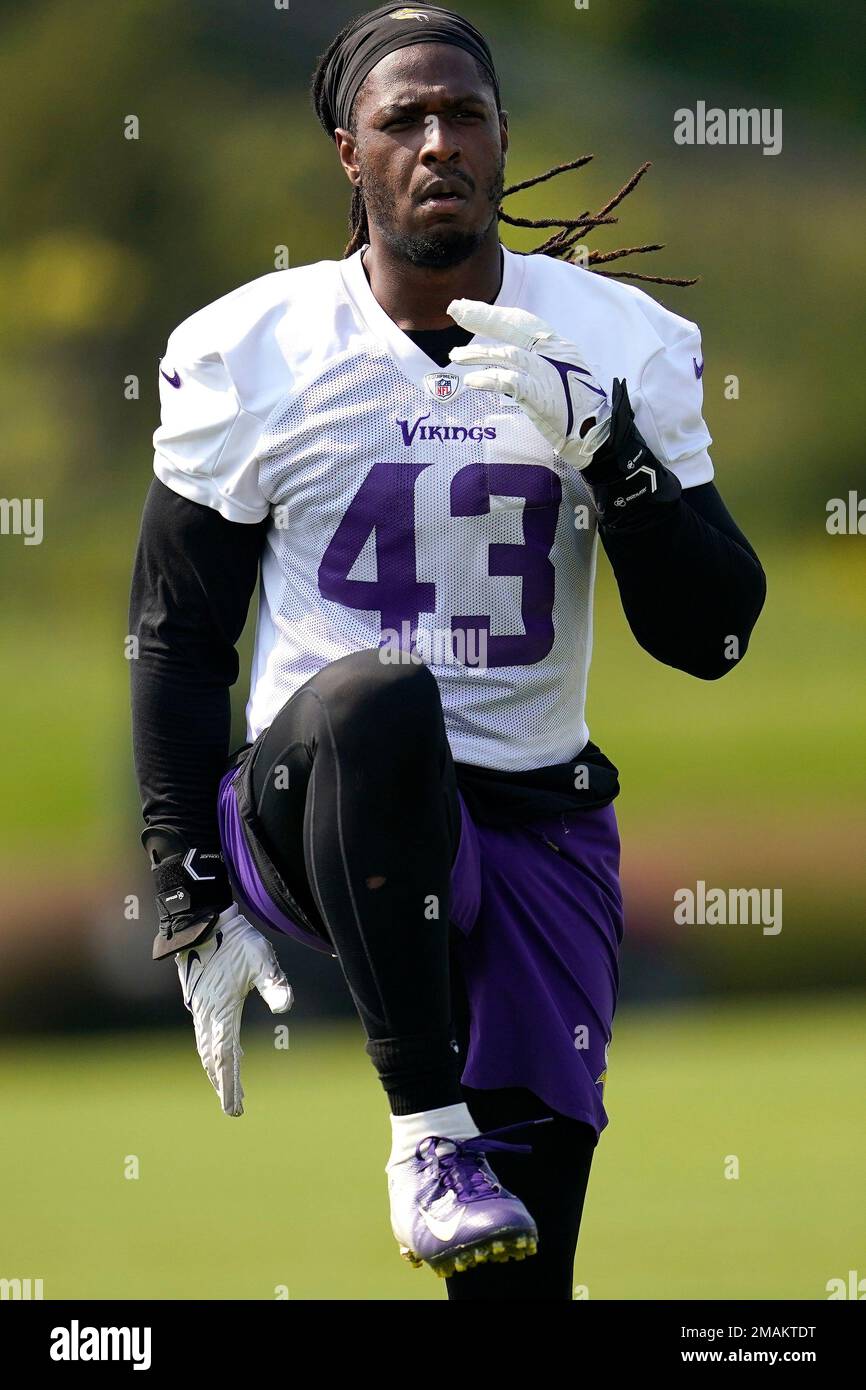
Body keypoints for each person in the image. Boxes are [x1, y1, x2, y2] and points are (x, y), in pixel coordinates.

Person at [129, 2, 766, 1301]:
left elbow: (712, 636)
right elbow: (177, 637)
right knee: (378, 697)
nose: (436, 142)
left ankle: (472, 1174)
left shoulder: (609, 339)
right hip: (320, 803)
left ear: (501, 138)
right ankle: (423, 1133)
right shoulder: (255, 349)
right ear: (347, 158)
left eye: (462, 114)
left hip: (530, 821)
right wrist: (188, 897)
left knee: (521, 1276)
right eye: (400, 120)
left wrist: (611, 452)